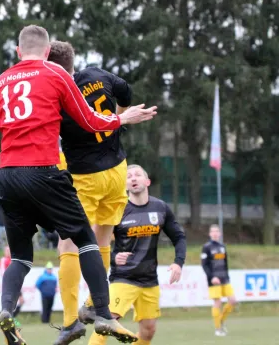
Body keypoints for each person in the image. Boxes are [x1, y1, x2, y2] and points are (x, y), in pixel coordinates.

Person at [0, 24, 157, 345]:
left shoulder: (1, 81)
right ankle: (102, 313)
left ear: (17, 52)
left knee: (20, 257)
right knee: (86, 240)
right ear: (45, 53)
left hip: (8, 174)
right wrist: (122, 118)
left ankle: (5, 310)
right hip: (47, 170)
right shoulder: (56, 76)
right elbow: (90, 120)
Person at [47, 41, 133, 345]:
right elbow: (126, 93)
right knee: (102, 238)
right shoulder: (97, 74)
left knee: (68, 243)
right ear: (74, 61)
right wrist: (116, 120)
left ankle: (71, 320)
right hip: (118, 169)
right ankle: (95, 305)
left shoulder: (55, 93)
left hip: (85, 177)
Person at [87, 164, 186, 345]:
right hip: (123, 278)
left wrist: (178, 262)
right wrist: (113, 258)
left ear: (147, 181)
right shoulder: (117, 209)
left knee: (148, 331)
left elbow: (179, 237)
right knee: (107, 323)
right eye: (129, 176)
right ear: (124, 185)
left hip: (149, 280)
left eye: (137, 175)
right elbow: (97, 243)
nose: (133, 178)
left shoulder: (161, 208)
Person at [201, 224, 236, 336]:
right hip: (214, 279)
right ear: (210, 234)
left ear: (220, 233)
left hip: (224, 278)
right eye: (213, 231)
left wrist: (227, 276)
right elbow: (204, 265)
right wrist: (212, 277)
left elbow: (225, 263)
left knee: (233, 300)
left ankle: (220, 320)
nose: (215, 233)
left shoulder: (222, 246)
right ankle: (218, 329)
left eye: (217, 231)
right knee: (218, 302)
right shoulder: (206, 247)